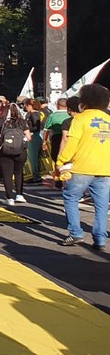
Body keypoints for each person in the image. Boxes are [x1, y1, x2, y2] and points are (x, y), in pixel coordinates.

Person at [55, 84, 110, 250]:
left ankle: (76, 233)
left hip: (82, 167)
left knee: (71, 198)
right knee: (101, 205)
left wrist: (61, 161)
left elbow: (72, 143)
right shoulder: (108, 119)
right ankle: (100, 239)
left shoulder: (80, 118)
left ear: (84, 100)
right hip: (105, 168)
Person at [0, 104, 30, 205]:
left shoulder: (1, 122)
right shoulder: (22, 122)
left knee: (7, 175)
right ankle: (19, 194)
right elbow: (29, 137)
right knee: (18, 172)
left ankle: (9, 198)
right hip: (20, 151)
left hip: (5, 151)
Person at [24, 99, 44, 183]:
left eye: (26, 105)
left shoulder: (33, 114)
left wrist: (27, 129)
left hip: (33, 136)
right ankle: (36, 175)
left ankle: (35, 175)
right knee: (35, 157)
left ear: (29, 105)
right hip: (37, 136)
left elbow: (37, 126)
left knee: (33, 157)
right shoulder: (39, 113)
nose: (25, 107)